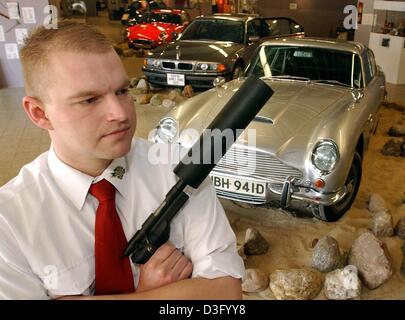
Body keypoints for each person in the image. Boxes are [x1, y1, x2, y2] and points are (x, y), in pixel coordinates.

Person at [0, 21, 245, 299]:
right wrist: (151, 293)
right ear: (39, 113)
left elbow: (226, 293)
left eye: (122, 91)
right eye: (90, 100)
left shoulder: (178, 169)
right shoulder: (9, 220)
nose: (120, 113)